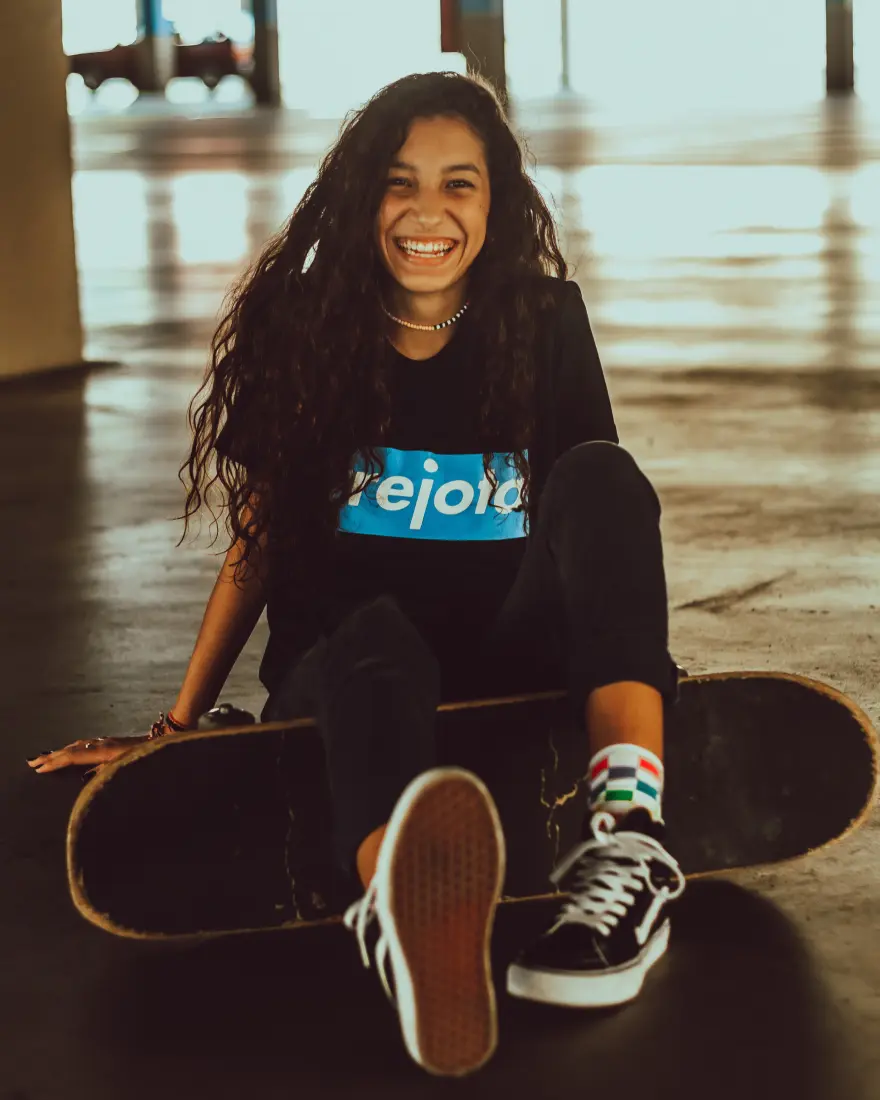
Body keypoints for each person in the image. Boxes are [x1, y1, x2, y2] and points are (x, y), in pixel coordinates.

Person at [28, 71, 685, 1078]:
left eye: (459, 184)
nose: (428, 212)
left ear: (496, 203)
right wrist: (176, 725)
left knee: (603, 473)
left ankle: (629, 842)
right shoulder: (308, 326)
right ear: (361, 195)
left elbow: (584, 526)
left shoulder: (543, 318)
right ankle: (402, 913)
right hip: (348, 667)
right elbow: (257, 542)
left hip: (503, 655)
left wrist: (616, 652)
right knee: (375, 629)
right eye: (398, 182)